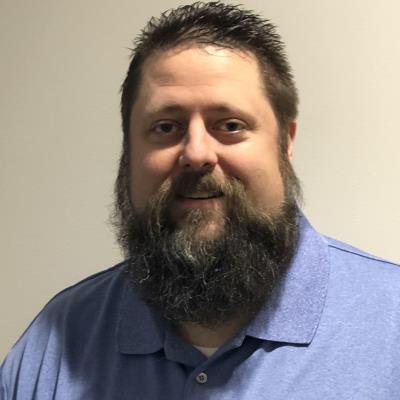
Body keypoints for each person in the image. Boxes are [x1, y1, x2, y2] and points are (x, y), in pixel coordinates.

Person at [1, 2, 400, 399]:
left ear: (286, 141)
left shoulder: (391, 324)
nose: (196, 153)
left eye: (230, 125)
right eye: (166, 127)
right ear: (129, 150)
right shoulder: (55, 345)